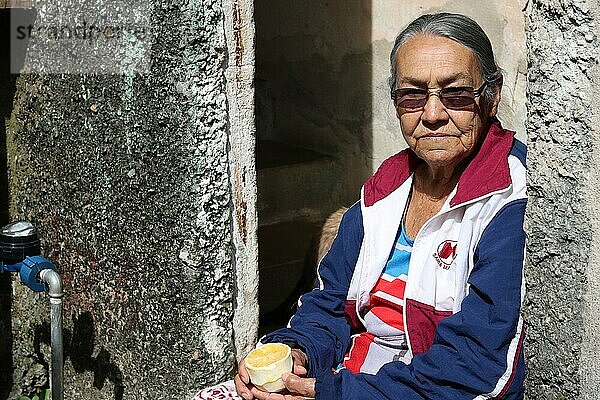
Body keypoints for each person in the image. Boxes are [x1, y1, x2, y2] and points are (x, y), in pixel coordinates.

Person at [196, 11, 526, 400]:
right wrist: (297, 352)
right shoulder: (387, 186)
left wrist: (335, 393)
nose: (433, 114)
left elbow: (475, 368)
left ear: (492, 96)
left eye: (456, 94)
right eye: (412, 94)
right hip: (353, 377)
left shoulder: (509, 198)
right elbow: (328, 305)